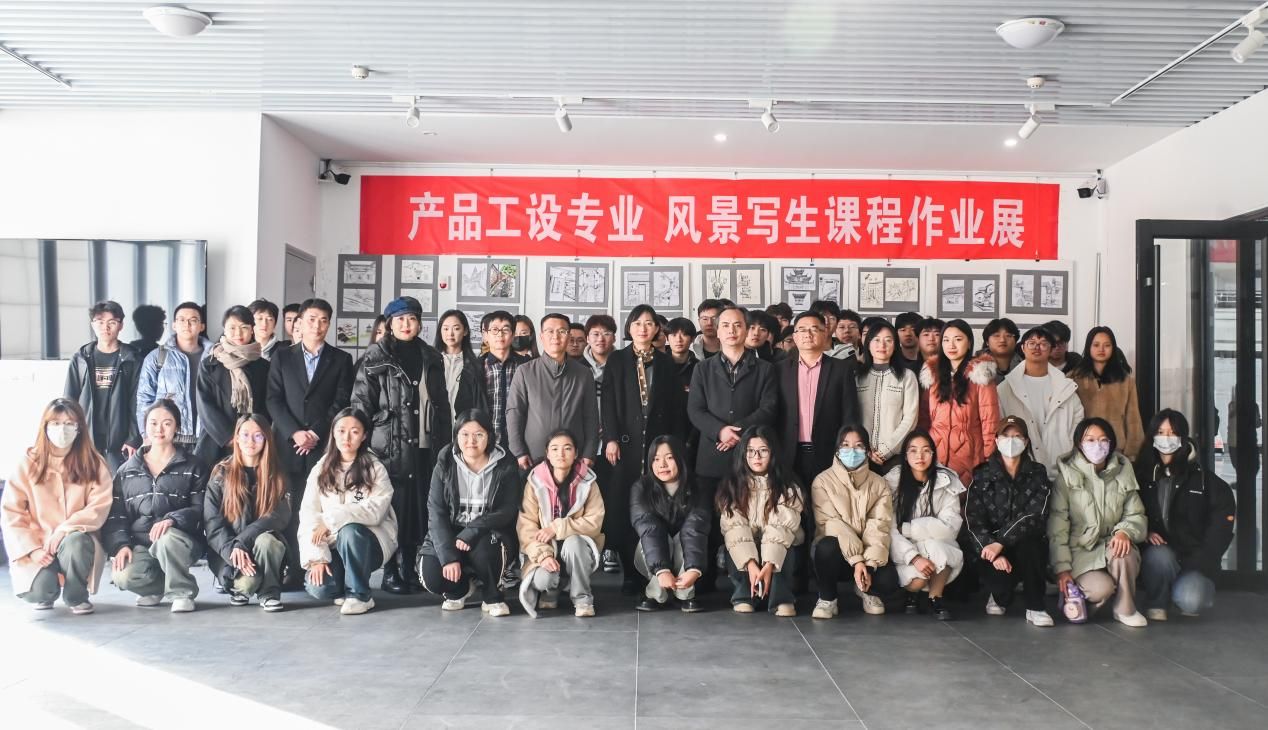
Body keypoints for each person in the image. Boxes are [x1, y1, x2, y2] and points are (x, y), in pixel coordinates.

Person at [352, 295, 452, 593]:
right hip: (389, 448)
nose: (406, 324)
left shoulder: (431, 356)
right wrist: (359, 446)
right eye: (400, 319)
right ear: (389, 324)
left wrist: (446, 444)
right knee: (394, 508)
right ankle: (391, 571)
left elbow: (442, 405)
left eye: (412, 319)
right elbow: (361, 404)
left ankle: (411, 567)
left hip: (426, 444)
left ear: (419, 324)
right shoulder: (375, 356)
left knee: (420, 508)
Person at [687, 306, 778, 590]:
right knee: (708, 520)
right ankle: (704, 582)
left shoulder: (765, 369)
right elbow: (695, 410)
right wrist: (720, 431)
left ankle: (744, 584)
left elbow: (769, 408)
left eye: (738, 325)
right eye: (725, 325)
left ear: (747, 329)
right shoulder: (702, 368)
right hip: (711, 455)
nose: (731, 330)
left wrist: (737, 431)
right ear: (716, 330)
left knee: (745, 520)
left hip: (749, 456)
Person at [266, 297, 354, 589]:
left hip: (323, 447)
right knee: (289, 510)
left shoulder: (341, 359)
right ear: (299, 323)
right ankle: (294, 568)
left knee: (322, 507)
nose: (317, 325)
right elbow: (273, 399)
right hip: (288, 447)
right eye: (311, 319)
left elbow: (341, 401)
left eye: (323, 320)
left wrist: (315, 433)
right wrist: (295, 432)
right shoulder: (282, 357)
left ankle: (326, 568)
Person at [601, 306, 687, 591]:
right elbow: (608, 403)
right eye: (638, 323)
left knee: (653, 507)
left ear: (657, 329)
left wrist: (675, 445)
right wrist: (611, 438)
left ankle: (656, 570)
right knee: (624, 507)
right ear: (629, 328)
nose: (643, 328)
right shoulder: (617, 360)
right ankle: (630, 573)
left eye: (649, 323)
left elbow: (676, 407)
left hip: (656, 448)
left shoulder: (665, 363)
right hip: (625, 447)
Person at [1, 398, 112, 614]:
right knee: (40, 592)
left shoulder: (94, 463)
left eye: (69, 424)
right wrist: (31, 549)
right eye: (56, 423)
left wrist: (65, 529)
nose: (63, 429)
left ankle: (76, 595)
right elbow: (11, 513)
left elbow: (99, 506)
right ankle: (46, 587)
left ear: (80, 428)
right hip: (38, 544)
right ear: (45, 426)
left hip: (76, 543)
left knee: (76, 541)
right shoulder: (27, 463)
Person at [106, 399, 209, 612]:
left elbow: (201, 510)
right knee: (123, 575)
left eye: (167, 423)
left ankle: (182, 592)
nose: (159, 429)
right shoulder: (127, 471)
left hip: (181, 542)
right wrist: (121, 545)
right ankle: (157, 588)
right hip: (142, 544)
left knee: (167, 537)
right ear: (145, 426)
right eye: (153, 423)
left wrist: (172, 520)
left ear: (177, 427)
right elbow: (117, 516)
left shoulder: (194, 466)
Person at [419, 409, 520, 617]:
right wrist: (448, 557)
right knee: (431, 576)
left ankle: (492, 595)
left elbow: (507, 510)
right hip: (451, 531)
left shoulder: (505, 463)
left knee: (486, 551)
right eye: (464, 434)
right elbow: (436, 511)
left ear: (489, 436)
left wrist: (472, 530)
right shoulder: (445, 461)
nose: (471, 441)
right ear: (456, 436)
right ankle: (460, 590)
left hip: (487, 530)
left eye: (478, 435)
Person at [1135, 410, 1235, 620]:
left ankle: (1187, 591)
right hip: (1162, 556)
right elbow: (1132, 512)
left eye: (1172, 433)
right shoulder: (1143, 476)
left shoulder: (1202, 479)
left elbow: (1221, 525)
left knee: (1191, 599)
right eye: (1160, 432)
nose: (1166, 438)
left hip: (1195, 560)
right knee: (1157, 556)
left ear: (1182, 437)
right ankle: (1157, 602)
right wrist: (1145, 532)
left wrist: (1202, 560)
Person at [1049, 417, 1148, 627]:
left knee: (1125, 553)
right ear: (1079, 443)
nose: (1097, 445)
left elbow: (1136, 514)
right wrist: (1062, 569)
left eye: (1103, 440)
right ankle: (1077, 600)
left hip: (1111, 545)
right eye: (1090, 440)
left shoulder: (1122, 472)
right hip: (1080, 553)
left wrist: (1124, 532)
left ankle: (1125, 610)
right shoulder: (1066, 478)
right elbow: (1058, 527)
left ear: (1111, 443)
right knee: (1102, 588)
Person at [300, 408, 398, 615]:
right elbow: (308, 514)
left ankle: (360, 596)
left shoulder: (375, 468)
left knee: (350, 530)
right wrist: (317, 558)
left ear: (363, 436)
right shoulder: (320, 469)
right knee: (320, 588)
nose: (347, 437)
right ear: (333, 433)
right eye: (341, 430)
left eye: (354, 432)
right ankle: (345, 582)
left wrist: (332, 519)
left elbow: (376, 511)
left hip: (369, 543)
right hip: (333, 544)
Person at [966, 416, 1055, 626]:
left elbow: (1035, 515)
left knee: (1032, 546)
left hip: (1025, 544)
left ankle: (1035, 607)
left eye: (1017, 436)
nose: (1011, 441)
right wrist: (993, 549)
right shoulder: (982, 475)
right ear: (997, 440)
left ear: (1026, 441)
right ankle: (998, 595)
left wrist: (1002, 541)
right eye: (1006, 436)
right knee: (1001, 589)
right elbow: (973, 521)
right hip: (992, 547)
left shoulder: (1037, 473)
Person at [203, 415, 291, 611]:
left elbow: (278, 516)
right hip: (229, 550)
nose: (250, 441)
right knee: (247, 584)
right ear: (236, 438)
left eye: (258, 436)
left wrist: (242, 542)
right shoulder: (221, 472)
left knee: (269, 541)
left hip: (262, 548)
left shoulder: (277, 474)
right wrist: (232, 551)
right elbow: (212, 523)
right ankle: (242, 587)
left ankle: (269, 592)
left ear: (266, 439)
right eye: (245, 435)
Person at [809, 425, 897, 619]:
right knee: (826, 548)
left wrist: (869, 564)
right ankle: (827, 598)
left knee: (889, 580)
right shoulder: (822, 482)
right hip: (838, 555)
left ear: (867, 450)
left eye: (858, 446)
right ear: (837, 450)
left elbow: (879, 526)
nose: (852, 451)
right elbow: (831, 524)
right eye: (846, 445)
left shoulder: (879, 484)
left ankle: (865, 589)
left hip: (867, 554)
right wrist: (857, 561)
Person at [518, 430, 606, 618]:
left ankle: (582, 598)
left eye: (567, 448)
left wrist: (556, 527)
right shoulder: (534, 482)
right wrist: (543, 556)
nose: (561, 454)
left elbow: (594, 522)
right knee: (543, 580)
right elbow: (526, 527)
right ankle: (552, 590)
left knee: (574, 543)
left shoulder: (588, 482)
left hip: (578, 550)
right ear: (547, 453)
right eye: (555, 449)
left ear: (576, 453)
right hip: (545, 548)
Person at [716, 425, 802, 616]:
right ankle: (744, 596)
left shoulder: (788, 487)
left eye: (763, 451)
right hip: (750, 548)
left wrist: (769, 565)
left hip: (776, 547)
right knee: (736, 544)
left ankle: (782, 599)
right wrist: (751, 564)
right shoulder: (732, 486)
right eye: (751, 451)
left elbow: (780, 529)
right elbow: (735, 529)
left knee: (784, 546)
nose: (756, 457)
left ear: (773, 454)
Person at [883, 430, 964, 620]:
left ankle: (936, 597)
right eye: (913, 450)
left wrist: (909, 529)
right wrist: (914, 557)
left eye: (926, 450)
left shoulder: (946, 481)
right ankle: (912, 594)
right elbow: (890, 530)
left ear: (933, 454)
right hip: (903, 550)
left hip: (936, 545)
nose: (920, 456)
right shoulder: (892, 483)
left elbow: (950, 527)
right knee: (918, 579)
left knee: (942, 549)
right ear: (905, 455)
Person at [506, 313, 599, 469]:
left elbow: (591, 417)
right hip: (533, 458)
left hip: (574, 459)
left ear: (568, 336)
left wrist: (589, 453)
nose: (556, 336)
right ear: (541, 337)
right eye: (550, 331)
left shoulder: (584, 374)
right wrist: (519, 452)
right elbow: (514, 413)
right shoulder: (525, 371)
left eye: (562, 331)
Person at [630, 435, 709, 612]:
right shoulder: (641, 487)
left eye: (669, 458)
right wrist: (661, 570)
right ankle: (655, 593)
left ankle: (685, 593)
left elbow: (695, 527)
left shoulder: (698, 486)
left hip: (685, 552)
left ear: (681, 458)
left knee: (685, 535)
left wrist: (694, 569)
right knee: (655, 536)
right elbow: (648, 527)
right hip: (653, 552)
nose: (662, 465)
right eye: (656, 459)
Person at [64, 300, 142, 474]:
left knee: (117, 486)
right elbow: (69, 400)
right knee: (85, 484)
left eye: (111, 322)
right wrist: (70, 436)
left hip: (120, 442)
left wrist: (133, 438)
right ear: (93, 324)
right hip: (86, 438)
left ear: (121, 325)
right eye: (100, 322)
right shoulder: (81, 359)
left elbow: (137, 401)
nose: (105, 328)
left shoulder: (132, 359)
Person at [997, 326, 1084, 478]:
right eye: (1031, 343)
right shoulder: (1006, 388)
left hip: (1062, 470)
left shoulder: (1066, 388)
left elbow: (1078, 425)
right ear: (1022, 348)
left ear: (1051, 349)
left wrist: (1068, 453)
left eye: (1043, 344)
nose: (1037, 347)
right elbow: (999, 427)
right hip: (1020, 472)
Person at [921, 319, 1000, 484]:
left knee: (966, 497)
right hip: (936, 454)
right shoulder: (932, 375)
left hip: (970, 456)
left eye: (958, 339)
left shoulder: (980, 375)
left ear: (969, 342)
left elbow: (990, 422)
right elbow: (924, 419)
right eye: (946, 340)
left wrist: (989, 458)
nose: (951, 345)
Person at [196, 305, 270, 466]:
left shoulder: (263, 366)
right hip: (216, 442)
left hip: (252, 443)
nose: (238, 333)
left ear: (252, 330)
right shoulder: (209, 364)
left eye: (244, 327)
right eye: (232, 328)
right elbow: (205, 406)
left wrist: (252, 435)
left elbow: (267, 404)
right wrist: (229, 437)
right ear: (224, 329)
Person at [135, 301, 211, 448]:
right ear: (174, 325)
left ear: (202, 326)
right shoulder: (157, 357)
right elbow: (144, 398)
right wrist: (146, 434)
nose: (187, 324)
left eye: (193, 320)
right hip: (168, 438)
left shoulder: (214, 356)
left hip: (207, 437)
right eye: (181, 320)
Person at [1069, 326, 1145, 460]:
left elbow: (1133, 418)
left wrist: (1132, 452)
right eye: (1096, 345)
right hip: (1083, 448)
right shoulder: (1073, 379)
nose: (1101, 349)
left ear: (1113, 348)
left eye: (1107, 345)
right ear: (1088, 347)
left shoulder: (1125, 380)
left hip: (1116, 449)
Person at [856, 320, 919, 472]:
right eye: (876, 340)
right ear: (868, 344)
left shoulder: (907, 376)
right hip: (861, 455)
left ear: (895, 345)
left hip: (895, 457)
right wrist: (865, 448)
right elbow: (852, 416)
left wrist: (886, 449)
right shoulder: (857, 377)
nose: (882, 345)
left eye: (888, 340)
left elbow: (910, 418)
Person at [476, 310, 530, 449]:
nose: (500, 334)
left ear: (512, 335)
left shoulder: (526, 365)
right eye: (494, 330)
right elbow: (464, 407)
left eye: (505, 329)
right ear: (486, 336)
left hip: (520, 443)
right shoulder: (474, 368)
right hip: (485, 443)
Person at [435, 310, 485, 420]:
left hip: (463, 425)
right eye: (446, 329)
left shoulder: (474, 366)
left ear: (465, 331)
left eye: (456, 328)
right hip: (436, 425)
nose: (450, 333)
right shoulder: (431, 362)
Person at [982, 318, 1022, 385]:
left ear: (1015, 341)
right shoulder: (973, 367)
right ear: (987, 342)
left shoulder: (1027, 366)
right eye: (996, 335)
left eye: (1008, 335)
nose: (1002, 340)